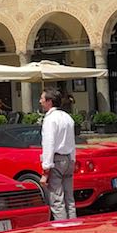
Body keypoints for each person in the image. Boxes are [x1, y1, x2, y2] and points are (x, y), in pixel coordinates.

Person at [39, 87, 76, 221]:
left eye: (42, 99)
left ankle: (62, 228)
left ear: (49, 101)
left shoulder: (50, 119)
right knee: (69, 199)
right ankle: (73, 225)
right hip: (68, 159)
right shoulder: (67, 117)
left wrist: (45, 170)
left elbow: (49, 143)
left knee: (57, 200)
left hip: (57, 159)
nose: (40, 101)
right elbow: (72, 142)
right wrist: (72, 159)